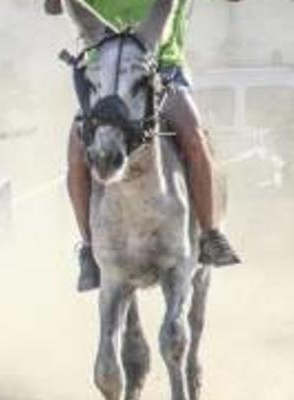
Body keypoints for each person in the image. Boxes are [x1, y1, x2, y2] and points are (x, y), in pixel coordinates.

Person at [45, 0, 242, 292]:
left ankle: (210, 235)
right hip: (107, 77)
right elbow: (52, 7)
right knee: (76, 154)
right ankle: (89, 248)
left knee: (193, 138)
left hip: (163, 72)